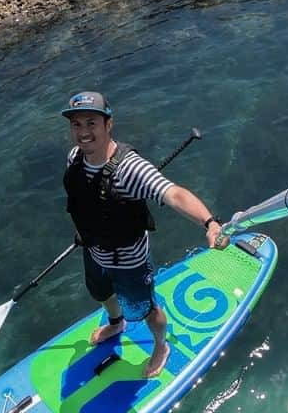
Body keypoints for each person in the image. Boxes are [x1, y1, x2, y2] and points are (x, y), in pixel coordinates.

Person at [62, 90, 227, 380]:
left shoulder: (131, 169)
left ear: (108, 124)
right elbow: (85, 202)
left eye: (91, 123)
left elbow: (173, 193)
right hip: (93, 250)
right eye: (77, 124)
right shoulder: (75, 158)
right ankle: (116, 323)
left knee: (146, 309)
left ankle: (161, 346)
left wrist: (209, 222)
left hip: (129, 262)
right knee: (101, 293)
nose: (84, 132)